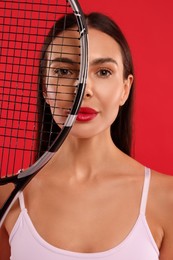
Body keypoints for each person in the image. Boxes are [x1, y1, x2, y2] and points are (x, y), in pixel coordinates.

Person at [1, 12, 173, 260]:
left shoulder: (167, 198)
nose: (83, 90)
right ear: (44, 88)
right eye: (63, 71)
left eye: (103, 72)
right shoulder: (7, 197)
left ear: (125, 89)